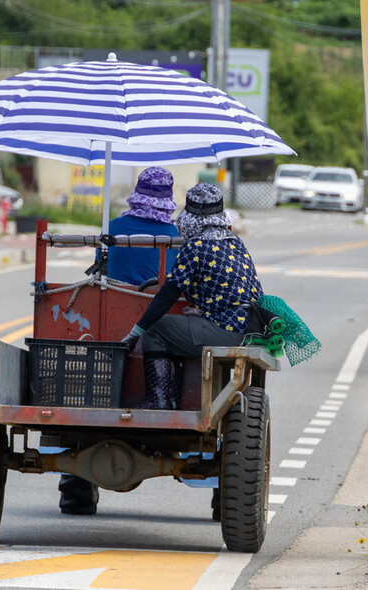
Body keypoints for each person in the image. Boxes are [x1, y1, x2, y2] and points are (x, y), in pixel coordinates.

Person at [60, 166, 180, 516]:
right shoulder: (176, 236)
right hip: (160, 339)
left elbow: (100, 270)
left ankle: (76, 490)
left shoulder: (111, 229)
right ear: (168, 200)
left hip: (104, 339)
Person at [121, 182, 265, 410]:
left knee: (157, 330)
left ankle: (159, 401)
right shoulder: (236, 242)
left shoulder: (195, 246)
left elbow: (167, 295)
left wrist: (135, 331)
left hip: (227, 331)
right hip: (250, 328)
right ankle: (171, 400)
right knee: (177, 331)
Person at [103, 166, 181, 285]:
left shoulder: (111, 227)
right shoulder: (176, 235)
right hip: (157, 300)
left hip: (112, 296)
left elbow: (100, 264)